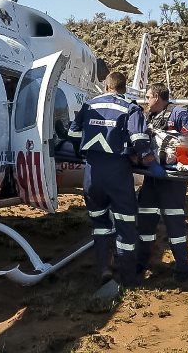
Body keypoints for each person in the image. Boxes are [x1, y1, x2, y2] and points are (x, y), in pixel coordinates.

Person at [68, 72, 153, 286]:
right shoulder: (131, 108)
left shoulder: (89, 105)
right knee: (125, 224)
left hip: (91, 173)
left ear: (106, 86)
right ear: (124, 88)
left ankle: (104, 269)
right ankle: (128, 278)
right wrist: (147, 158)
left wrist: (84, 152)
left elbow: (73, 134)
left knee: (99, 223)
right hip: (118, 173)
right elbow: (140, 141)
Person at [137, 83, 188, 283]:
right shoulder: (149, 117)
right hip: (151, 179)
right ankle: (142, 263)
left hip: (172, 181)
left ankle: (182, 268)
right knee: (145, 222)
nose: (146, 101)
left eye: (148, 97)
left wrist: (181, 163)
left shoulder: (178, 114)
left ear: (157, 97)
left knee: (175, 226)